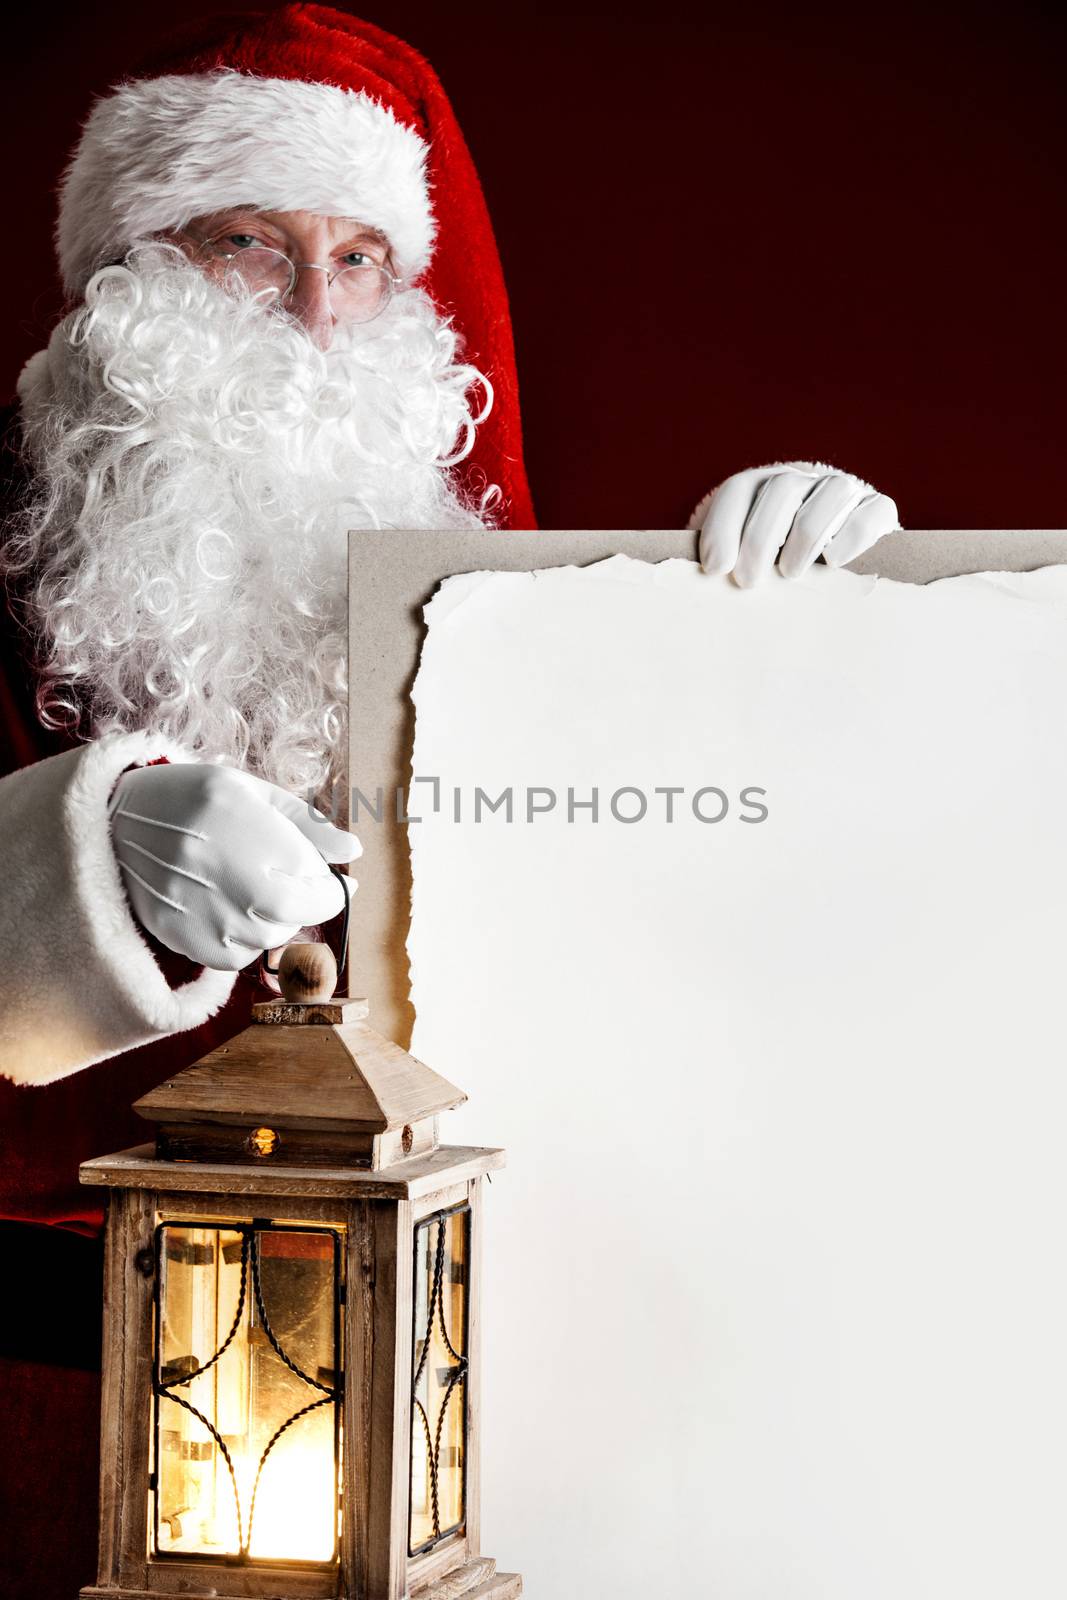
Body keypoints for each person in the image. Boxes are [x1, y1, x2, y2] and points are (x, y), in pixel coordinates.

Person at [0, 8, 900, 1594]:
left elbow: (701, 901)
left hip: (456, 1365)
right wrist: (71, 858)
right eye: (248, 246)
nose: (321, 314)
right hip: (71, 1374)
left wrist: (806, 621)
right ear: (128, 276)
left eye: (360, 260)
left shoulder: (469, 569)